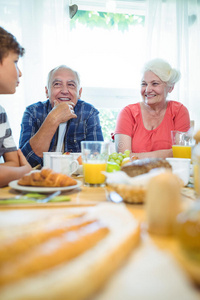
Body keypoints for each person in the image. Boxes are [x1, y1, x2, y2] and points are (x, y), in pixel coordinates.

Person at [19, 65, 104, 167]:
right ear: (47, 91)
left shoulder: (89, 112)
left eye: (71, 85)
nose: (64, 91)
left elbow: (96, 158)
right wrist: (53, 118)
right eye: (57, 84)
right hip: (42, 178)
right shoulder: (33, 112)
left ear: (79, 93)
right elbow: (25, 161)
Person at [115, 58, 190, 159]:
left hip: (169, 173)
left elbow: (181, 155)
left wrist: (136, 156)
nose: (147, 89)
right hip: (134, 173)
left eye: (155, 83)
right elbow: (123, 157)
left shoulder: (179, 111)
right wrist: (169, 153)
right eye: (144, 84)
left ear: (170, 87)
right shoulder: (128, 113)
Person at [0, 26, 32, 187]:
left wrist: (12, 171)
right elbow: (18, 167)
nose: (19, 73)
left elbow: (13, 162)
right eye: (15, 62)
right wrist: (25, 171)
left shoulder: (1, 113)